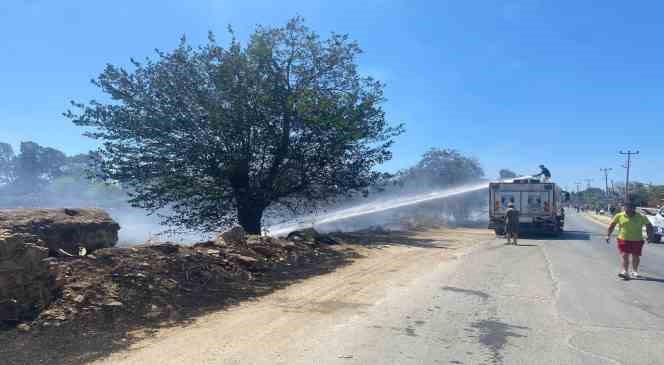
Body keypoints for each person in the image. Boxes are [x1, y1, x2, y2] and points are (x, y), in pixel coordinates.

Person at [606, 201, 654, 280]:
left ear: (634, 208)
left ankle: (635, 271)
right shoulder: (619, 215)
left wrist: (650, 236)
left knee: (635, 256)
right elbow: (612, 225)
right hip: (623, 239)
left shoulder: (641, 216)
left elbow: (649, 226)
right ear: (625, 208)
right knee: (625, 255)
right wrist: (608, 235)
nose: (630, 209)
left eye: (632, 207)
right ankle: (625, 271)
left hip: (637, 240)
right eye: (627, 207)